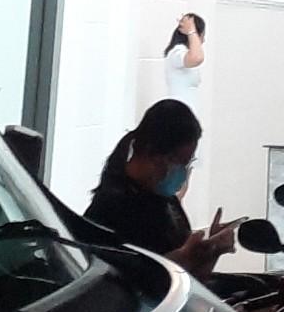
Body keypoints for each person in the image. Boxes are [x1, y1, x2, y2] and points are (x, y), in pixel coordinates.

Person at [86, 98, 233, 275]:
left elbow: (192, 280)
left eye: (187, 163)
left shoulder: (166, 201)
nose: (182, 172)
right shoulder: (111, 209)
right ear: (151, 152)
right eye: (178, 162)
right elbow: (136, 281)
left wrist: (212, 250)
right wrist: (183, 257)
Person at [162, 10, 205, 103]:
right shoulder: (177, 52)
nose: (203, 40)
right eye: (202, 35)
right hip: (178, 108)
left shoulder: (185, 53)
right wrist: (191, 31)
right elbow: (197, 58)